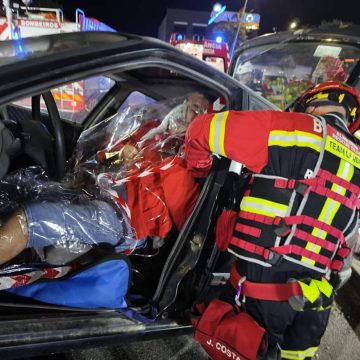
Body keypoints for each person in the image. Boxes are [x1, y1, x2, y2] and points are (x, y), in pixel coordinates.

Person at [185, 81, 360, 359]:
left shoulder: (292, 127)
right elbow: (346, 244)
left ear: (310, 105)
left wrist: (199, 171)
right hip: (311, 303)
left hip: (256, 295)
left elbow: (201, 130)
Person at [0, 93, 209, 264]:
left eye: (198, 112)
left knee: (30, 219)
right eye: (188, 103)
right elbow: (103, 158)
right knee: (19, 197)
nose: (186, 112)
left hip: (123, 220)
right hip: (94, 188)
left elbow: (191, 225)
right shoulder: (149, 132)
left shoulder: (187, 165)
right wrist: (120, 155)